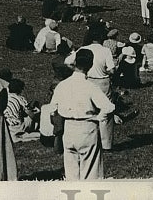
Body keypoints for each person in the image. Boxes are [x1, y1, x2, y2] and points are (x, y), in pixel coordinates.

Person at [49, 48, 116, 180]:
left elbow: (52, 108)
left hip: (68, 129)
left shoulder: (62, 85)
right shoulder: (90, 86)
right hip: (87, 129)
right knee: (91, 172)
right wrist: (98, 118)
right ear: (90, 65)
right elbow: (108, 107)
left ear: (75, 62)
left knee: (71, 172)